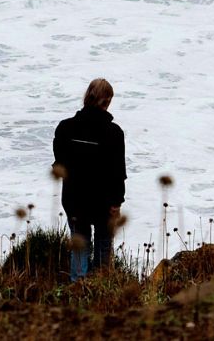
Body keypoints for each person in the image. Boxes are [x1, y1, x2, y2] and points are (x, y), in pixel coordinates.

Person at [52, 78, 126, 281]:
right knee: (103, 249)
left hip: (74, 200)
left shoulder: (65, 128)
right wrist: (116, 202)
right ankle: (100, 292)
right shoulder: (114, 133)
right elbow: (118, 172)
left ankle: (78, 291)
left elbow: (60, 164)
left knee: (80, 247)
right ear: (107, 101)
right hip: (103, 202)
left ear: (87, 97)